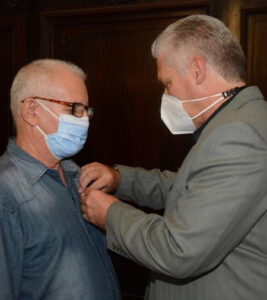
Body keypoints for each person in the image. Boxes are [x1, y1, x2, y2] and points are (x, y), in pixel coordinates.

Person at [79, 14, 267, 300]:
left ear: (197, 70)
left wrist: (111, 215)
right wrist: (120, 179)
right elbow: (187, 189)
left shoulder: (239, 133)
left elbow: (180, 250)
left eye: (167, 84)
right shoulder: (239, 120)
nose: (166, 95)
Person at [0, 59, 120, 299]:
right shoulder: (6, 194)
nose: (84, 118)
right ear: (32, 111)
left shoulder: (78, 176)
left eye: (86, 109)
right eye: (74, 108)